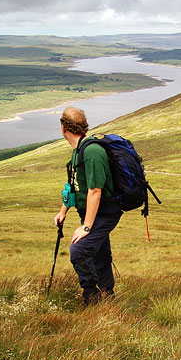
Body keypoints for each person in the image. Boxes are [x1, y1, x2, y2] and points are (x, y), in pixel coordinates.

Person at [53, 106, 123, 306]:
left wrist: (86, 226)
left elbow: (95, 191)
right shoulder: (78, 151)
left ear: (63, 127)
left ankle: (92, 298)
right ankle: (108, 295)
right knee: (99, 251)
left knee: (80, 250)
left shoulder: (91, 151)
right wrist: (63, 211)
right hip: (93, 213)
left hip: (105, 212)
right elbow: (74, 185)